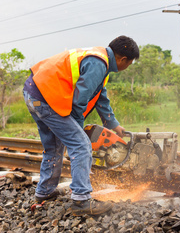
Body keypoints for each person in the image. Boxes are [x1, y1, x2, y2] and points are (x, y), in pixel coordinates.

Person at [23, 35, 139, 216]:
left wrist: (113, 124)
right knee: (81, 145)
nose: (127, 67)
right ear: (122, 59)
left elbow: (100, 96)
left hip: (34, 93)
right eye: (129, 63)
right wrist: (78, 132)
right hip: (46, 98)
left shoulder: (100, 60)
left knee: (54, 146)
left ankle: (44, 191)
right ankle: (81, 200)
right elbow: (80, 101)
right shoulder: (98, 63)